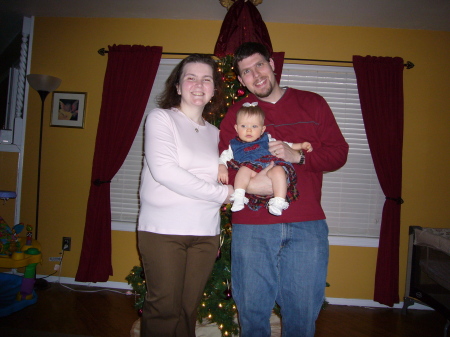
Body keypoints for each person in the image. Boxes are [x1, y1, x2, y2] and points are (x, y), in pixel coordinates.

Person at [219, 42, 349, 337]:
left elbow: (339, 152)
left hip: (307, 226)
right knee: (252, 314)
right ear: (241, 80)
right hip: (252, 227)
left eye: (260, 65)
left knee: (302, 317)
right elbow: (225, 166)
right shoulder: (236, 115)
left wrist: (299, 156)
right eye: (247, 72)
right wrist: (256, 184)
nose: (256, 75)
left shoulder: (313, 103)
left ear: (272, 65)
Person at [137, 54, 234, 337]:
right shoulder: (161, 118)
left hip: (205, 232)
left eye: (206, 79)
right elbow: (166, 172)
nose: (198, 84)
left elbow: (234, 170)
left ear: (214, 89)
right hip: (163, 231)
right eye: (190, 77)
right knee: (164, 308)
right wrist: (223, 194)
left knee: (188, 309)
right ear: (178, 87)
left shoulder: (216, 134)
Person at [217, 102, 312, 215]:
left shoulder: (267, 139)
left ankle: (279, 201)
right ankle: (239, 197)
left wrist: (300, 146)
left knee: (279, 171)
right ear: (236, 128)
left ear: (262, 129)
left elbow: (285, 145)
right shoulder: (233, 146)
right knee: (244, 169)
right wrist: (222, 167)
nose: (248, 130)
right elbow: (223, 158)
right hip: (251, 172)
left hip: (270, 165)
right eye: (244, 126)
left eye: (254, 126)